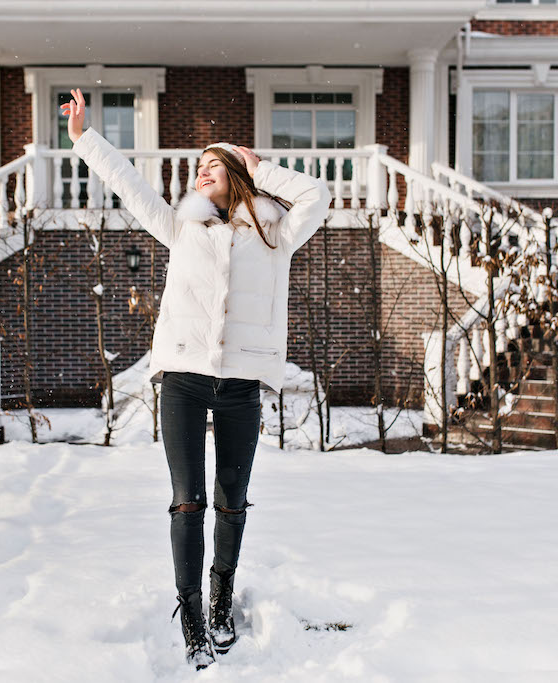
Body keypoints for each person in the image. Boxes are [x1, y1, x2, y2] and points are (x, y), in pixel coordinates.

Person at [62, 88, 330, 669]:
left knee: (232, 503)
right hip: (183, 378)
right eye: (199, 167)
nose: (203, 173)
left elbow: (318, 195)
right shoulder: (180, 228)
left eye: (215, 165)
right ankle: (189, 615)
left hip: (240, 385)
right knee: (189, 501)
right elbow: (130, 185)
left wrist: (263, 168)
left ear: (236, 175)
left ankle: (220, 598)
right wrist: (84, 137)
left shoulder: (274, 233)